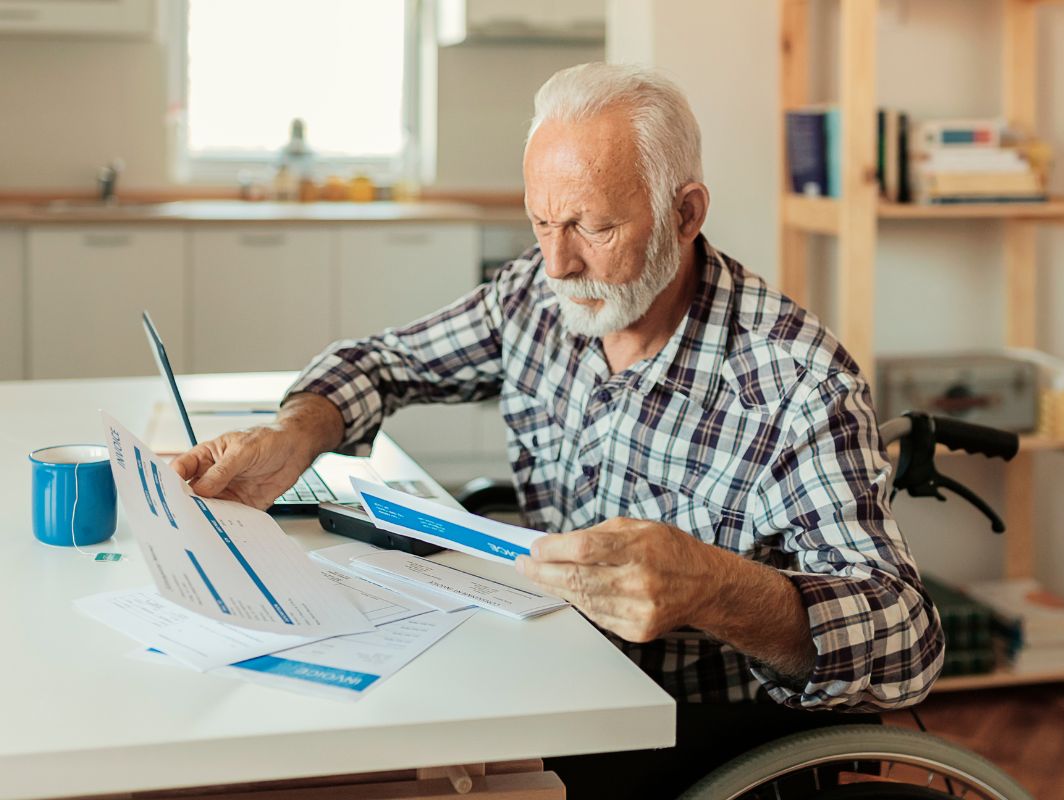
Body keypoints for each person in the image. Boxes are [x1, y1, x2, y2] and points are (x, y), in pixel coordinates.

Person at [172, 63, 944, 797]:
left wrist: (715, 588)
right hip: (545, 672)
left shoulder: (794, 382)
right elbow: (380, 363)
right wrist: (295, 435)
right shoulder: (534, 297)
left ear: (685, 214)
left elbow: (907, 641)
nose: (558, 262)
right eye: (541, 221)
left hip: (684, 735)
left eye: (592, 226)